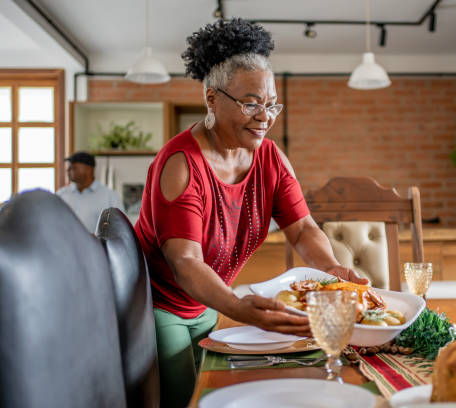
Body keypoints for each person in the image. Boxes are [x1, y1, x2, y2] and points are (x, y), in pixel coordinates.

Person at [134, 18, 367, 408]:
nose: (265, 116)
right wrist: (240, 308)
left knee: (222, 388)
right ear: (211, 99)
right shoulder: (181, 163)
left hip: (209, 302)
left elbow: (303, 228)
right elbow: (186, 263)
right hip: (162, 307)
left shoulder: (271, 157)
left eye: (271, 103)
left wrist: (330, 270)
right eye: (250, 103)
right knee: (185, 399)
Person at [56, 151, 123, 233]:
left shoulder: (110, 196)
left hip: (98, 245)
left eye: (73, 167)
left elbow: (120, 227)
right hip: (65, 245)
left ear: (89, 169)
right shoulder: (61, 195)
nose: (68, 170)